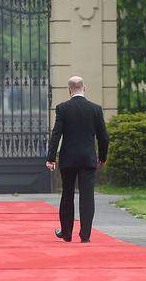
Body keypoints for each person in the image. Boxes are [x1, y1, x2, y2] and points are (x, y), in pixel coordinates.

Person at [46, 76, 109, 243]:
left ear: (69, 90)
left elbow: (56, 134)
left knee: (67, 195)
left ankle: (66, 233)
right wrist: (102, 157)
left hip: (68, 159)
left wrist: (51, 158)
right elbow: (104, 137)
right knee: (87, 197)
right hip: (88, 159)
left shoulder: (62, 108)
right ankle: (85, 235)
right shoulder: (96, 109)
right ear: (84, 88)